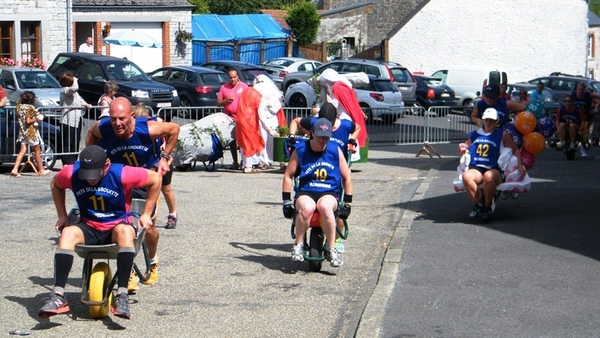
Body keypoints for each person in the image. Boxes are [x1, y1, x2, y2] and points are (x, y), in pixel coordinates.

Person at [37, 145, 161, 320]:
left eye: (94, 175)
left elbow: (155, 178)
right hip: (88, 225)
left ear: (106, 166)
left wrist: (146, 214)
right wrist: (62, 216)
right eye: (86, 175)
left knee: (126, 232)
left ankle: (122, 296)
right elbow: (55, 184)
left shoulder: (122, 173)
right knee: (67, 233)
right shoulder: (71, 173)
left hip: (116, 226)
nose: (90, 180)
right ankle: (58, 296)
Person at [86, 97, 180, 289]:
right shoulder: (103, 128)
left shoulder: (147, 129)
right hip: (119, 182)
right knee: (122, 224)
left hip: (146, 182)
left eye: (121, 119)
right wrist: (92, 158)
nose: (117, 124)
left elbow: (174, 129)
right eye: (113, 119)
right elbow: (91, 133)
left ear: (131, 116)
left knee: (148, 228)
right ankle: (127, 271)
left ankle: (152, 262)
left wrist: (165, 158)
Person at [288, 102, 360, 253]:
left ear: (335, 119)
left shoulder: (345, 125)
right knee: (307, 205)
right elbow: (295, 121)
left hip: (335, 167)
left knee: (336, 207)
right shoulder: (315, 124)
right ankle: (300, 240)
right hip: (313, 166)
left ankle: (336, 239)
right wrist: (292, 136)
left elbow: (358, 127)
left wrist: (352, 139)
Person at [282, 118, 353, 267]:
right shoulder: (301, 149)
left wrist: (347, 202)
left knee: (326, 207)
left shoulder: (334, 149)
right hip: (307, 191)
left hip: (328, 191)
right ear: (312, 133)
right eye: (319, 136)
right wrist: (286, 201)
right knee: (306, 208)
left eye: (326, 137)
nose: (322, 140)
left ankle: (332, 248)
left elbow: (347, 177)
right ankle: (298, 244)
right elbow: (288, 175)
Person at [462, 108, 526, 221]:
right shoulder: (474, 135)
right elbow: (466, 147)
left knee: (489, 176)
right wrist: (462, 148)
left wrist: (520, 165)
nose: (489, 123)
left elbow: (516, 150)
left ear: (496, 121)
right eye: (487, 120)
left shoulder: (502, 135)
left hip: (495, 168)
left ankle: (487, 207)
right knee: (466, 176)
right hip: (477, 167)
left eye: (492, 120)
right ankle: (478, 205)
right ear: (483, 120)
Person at [133, 103, 179, 229]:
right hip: (149, 164)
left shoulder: (157, 122)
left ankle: (172, 214)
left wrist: (167, 151)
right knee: (149, 190)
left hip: (163, 160)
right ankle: (144, 215)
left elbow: (173, 134)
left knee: (166, 189)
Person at [10, 91, 50, 177]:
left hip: (22, 131)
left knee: (22, 150)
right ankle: (41, 170)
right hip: (30, 131)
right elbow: (28, 121)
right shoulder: (30, 108)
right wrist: (36, 119)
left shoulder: (19, 107)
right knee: (37, 150)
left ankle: (15, 169)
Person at [217, 69, 248, 170]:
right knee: (232, 141)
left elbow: (250, 100)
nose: (232, 79)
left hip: (242, 117)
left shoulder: (244, 86)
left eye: (234, 77)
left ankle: (245, 162)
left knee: (243, 141)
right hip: (229, 118)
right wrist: (226, 101)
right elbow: (218, 103)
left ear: (238, 77)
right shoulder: (224, 87)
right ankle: (235, 161)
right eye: (230, 77)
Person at [59, 73, 91, 165]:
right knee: (67, 141)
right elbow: (74, 88)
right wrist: (75, 80)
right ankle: (66, 162)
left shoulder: (74, 93)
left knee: (75, 141)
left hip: (76, 120)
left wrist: (86, 104)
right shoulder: (64, 90)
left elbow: (79, 100)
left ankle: (73, 161)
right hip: (67, 120)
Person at [235, 87, 267, 173]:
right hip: (249, 121)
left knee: (244, 143)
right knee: (249, 143)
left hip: (241, 120)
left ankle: (246, 164)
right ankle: (248, 166)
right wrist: (269, 128)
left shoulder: (245, 93)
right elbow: (261, 114)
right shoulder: (256, 95)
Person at [253, 74, 282, 167]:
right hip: (262, 120)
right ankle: (264, 160)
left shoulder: (273, 95)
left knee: (272, 140)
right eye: (258, 82)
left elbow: (277, 106)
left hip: (273, 119)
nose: (260, 84)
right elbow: (260, 112)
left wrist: (270, 107)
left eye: (262, 82)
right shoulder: (257, 97)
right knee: (263, 140)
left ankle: (269, 158)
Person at [571, 82, 600, 156]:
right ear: (576, 89)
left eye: (582, 89)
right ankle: (572, 144)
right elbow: (567, 102)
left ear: (584, 90)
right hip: (576, 117)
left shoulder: (588, 95)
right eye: (579, 89)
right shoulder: (573, 95)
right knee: (573, 130)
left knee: (584, 132)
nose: (580, 91)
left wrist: (596, 107)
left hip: (586, 116)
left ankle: (583, 149)